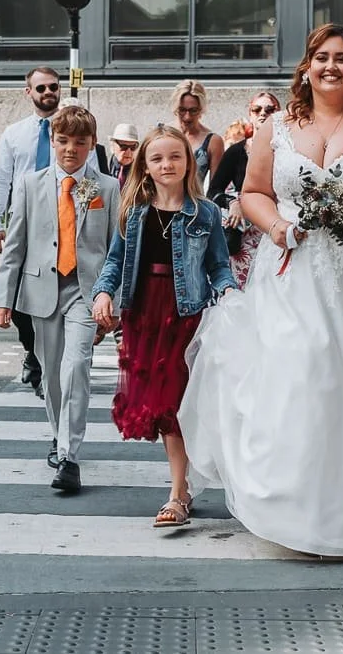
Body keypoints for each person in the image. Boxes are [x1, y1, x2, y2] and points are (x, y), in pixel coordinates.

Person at [180, 25, 343, 557]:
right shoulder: (275, 128)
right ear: (306, 66)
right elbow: (254, 192)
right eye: (322, 58)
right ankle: (298, 505)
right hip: (294, 269)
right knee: (306, 373)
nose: (331, 67)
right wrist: (279, 229)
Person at [92, 125, 235, 528]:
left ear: (189, 162)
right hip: (144, 315)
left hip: (185, 315)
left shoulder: (205, 212)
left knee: (175, 405)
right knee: (160, 407)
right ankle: (182, 485)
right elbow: (115, 261)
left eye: (175, 156)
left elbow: (219, 265)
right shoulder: (134, 209)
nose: (166, 164)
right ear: (145, 166)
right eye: (157, 158)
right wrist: (104, 293)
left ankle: (177, 494)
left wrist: (229, 294)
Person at [0, 104, 118, 494]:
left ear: (92, 145)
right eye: (63, 141)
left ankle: (69, 456)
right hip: (41, 290)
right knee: (51, 376)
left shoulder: (104, 187)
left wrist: (113, 301)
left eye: (80, 143)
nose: (70, 150)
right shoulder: (31, 184)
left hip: (86, 291)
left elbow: (116, 250)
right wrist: (3, 297)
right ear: (52, 141)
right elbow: (15, 247)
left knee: (76, 365)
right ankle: (58, 434)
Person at [0, 66, 65, 395]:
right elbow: (0, 179)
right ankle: (33, 351)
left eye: (53, 87)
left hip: (63, 220)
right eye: (41, 88)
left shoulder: (71, 128)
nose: (48, 93)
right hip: (24, 224)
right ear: (29, 93)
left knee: (55, 296)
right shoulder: (14, 134)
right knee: (19, 299)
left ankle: (49, 365)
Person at [206, 92, 281, 283]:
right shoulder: (236, 152)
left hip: (278, 226)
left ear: (279, 113)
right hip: (246, 235)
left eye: (269, 110)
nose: (263, 113)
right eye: (257, 110)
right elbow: (213, 191)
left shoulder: (288, 149)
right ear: (250, 114)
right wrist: (233, 203)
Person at [172, 80, 225, 188]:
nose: (187, 117)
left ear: (201, 109)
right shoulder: (162, 134)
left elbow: (216, 187)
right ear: (175, 108)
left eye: (193, 110)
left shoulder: (213, 141)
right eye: (182, 110)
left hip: (195, 202)